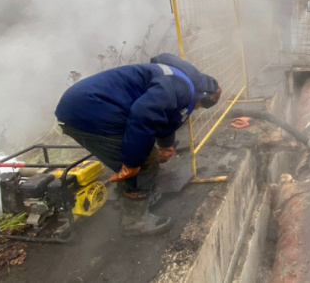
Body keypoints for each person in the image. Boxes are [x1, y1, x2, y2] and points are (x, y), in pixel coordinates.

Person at [54, 55, 221, 236]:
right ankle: (134, 221)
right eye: (199, 106)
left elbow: (165, 112)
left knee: (140, 152)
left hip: (85, 103)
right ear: (201, 96)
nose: (196, 109)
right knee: (146, 161)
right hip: (89, 112)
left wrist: (166, 144)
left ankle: (132, 197)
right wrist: (133, 163)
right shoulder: (183, 90)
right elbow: (144, 116)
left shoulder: (179, 78)